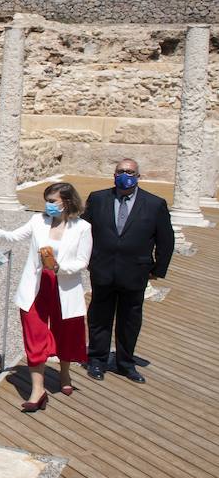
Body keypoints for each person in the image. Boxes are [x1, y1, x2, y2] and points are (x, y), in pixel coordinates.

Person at [0, 183, 93, 412]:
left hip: (64, 287)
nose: (48, 205)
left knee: (66, 333)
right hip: (36, 287)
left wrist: (60, 268)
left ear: (67, 202)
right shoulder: (38, 221)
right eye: (47, 200)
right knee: (35, 335)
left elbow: (83, 261)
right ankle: (37, 390)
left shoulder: (83, 227)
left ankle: (65, 374)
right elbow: (13, 237)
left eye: (53, 201)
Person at [83, 158, 174, 384]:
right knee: (99, 317)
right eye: (121, 171)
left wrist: (157, 269)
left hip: (135, 272)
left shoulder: (155, 204)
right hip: (103, 269)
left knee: (130, 319)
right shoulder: (98, 199)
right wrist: (84, 258)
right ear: (114, 175)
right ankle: (97, 359)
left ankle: (125, 363)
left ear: (138, 176)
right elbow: (83, 230)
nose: (126, 175)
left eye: (130, 172)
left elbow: (166, 239)